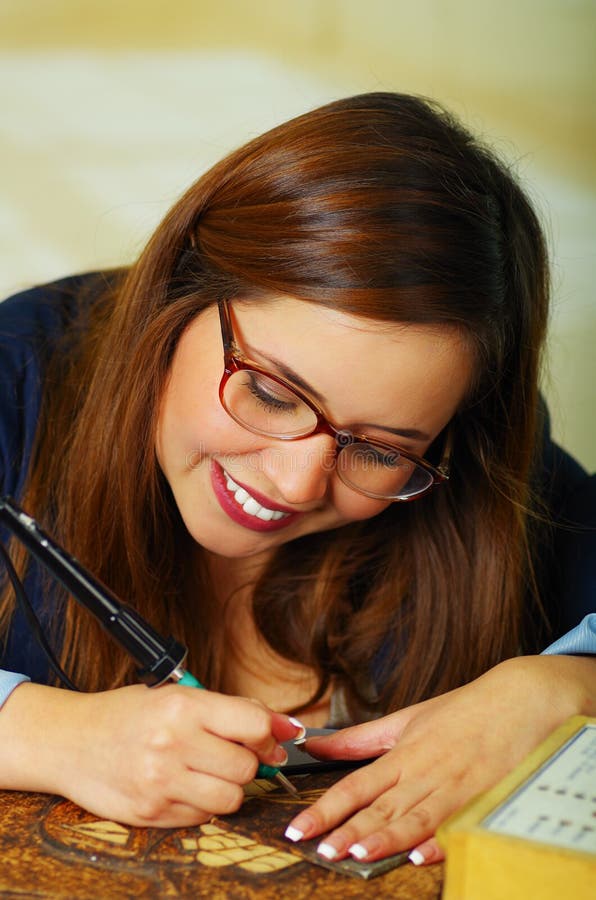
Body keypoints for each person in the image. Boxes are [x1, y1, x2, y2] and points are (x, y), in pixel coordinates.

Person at [0, 92, 594, 868]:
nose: (295, 482)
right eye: (274, 394)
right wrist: (41, 734)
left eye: (380, 451)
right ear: (176, 300)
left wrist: (562, 689)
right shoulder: (17, 375)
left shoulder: (475, 462)